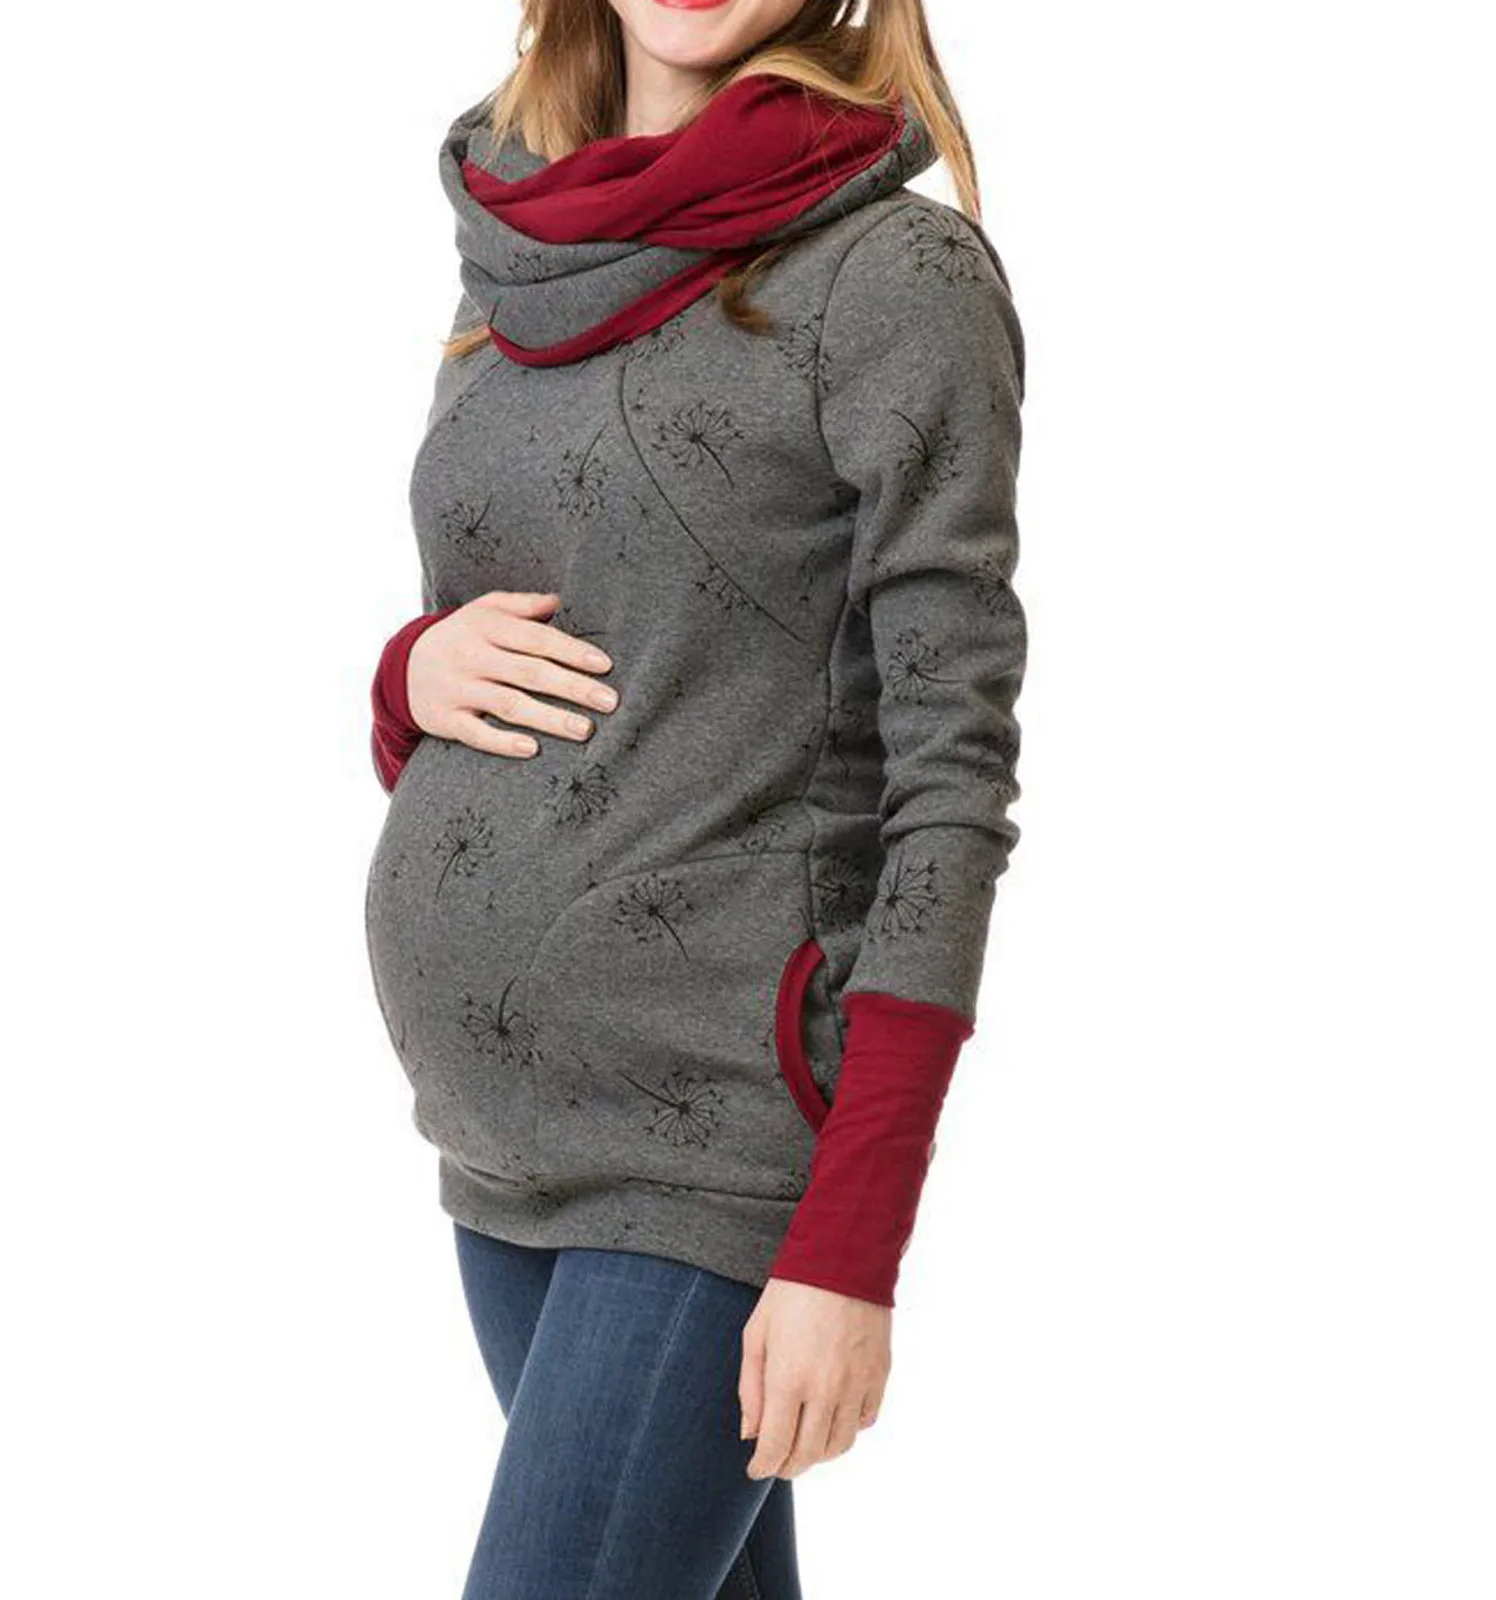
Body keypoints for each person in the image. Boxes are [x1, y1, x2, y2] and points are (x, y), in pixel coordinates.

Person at [363, 2, 1028, 1594]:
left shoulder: (893, 276)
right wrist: (408, 675)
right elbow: (578, 634)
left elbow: (950, 776)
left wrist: (851, 1238)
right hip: (497, 1139)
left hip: (709, 1140)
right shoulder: (522, 240)